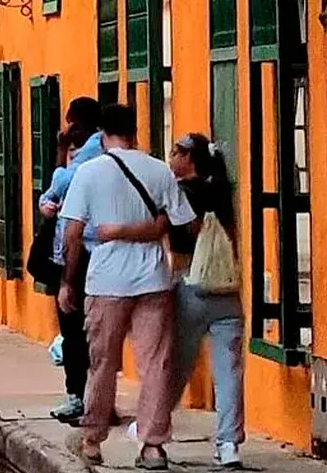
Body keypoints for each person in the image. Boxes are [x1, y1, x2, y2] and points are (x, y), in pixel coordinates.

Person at [59, 104, 195, 469]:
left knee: (102, 363)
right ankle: (152, 445)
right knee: (156, 364)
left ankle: (92, 439)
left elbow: (72, 233)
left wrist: (68, 282)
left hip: (105, 280)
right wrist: (153, 228)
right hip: (153, 278)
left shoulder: (88, 173)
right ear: (136, 133)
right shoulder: (158, 170)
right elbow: (184, 222)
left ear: (102, 136)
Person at [163, 132, 245, 469]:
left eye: (175, 152)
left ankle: (155, 425)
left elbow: (176, 239)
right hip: (227, 291)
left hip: (191, 287)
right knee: (229, 374)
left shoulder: (183, 194)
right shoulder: (223, 192)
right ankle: (229, 445)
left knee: (176, 367)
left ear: (188, 157)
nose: (170, 158)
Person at [39, 97, 104, 423]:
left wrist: (61, 151)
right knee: (83, 331)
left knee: (76, 328)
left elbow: (62, 183)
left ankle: (81, 397)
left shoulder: (93, 150)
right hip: (84, 249)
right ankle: (86, 396)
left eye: (71, 124)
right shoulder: (93, 149)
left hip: (82, 251)